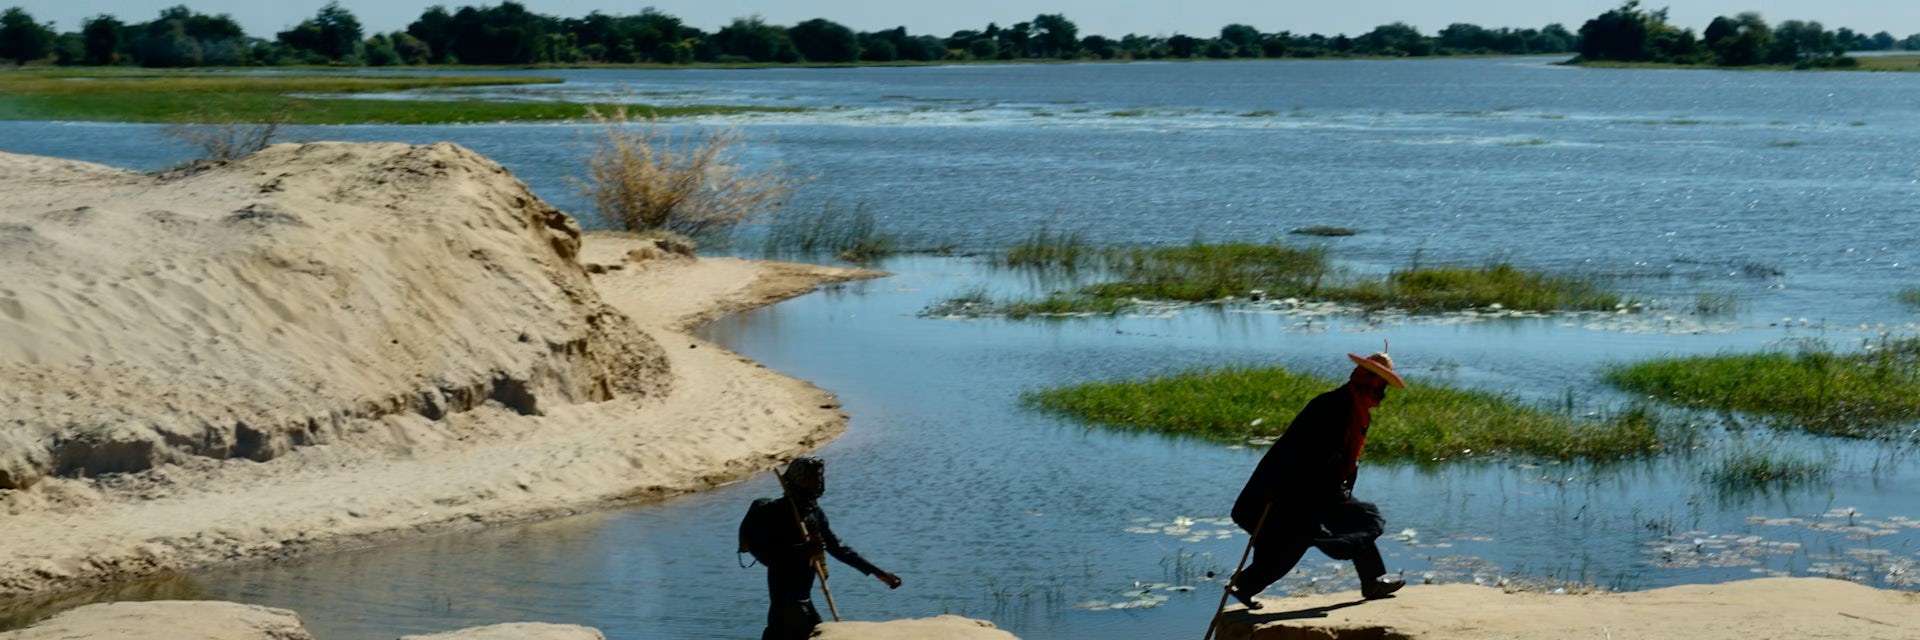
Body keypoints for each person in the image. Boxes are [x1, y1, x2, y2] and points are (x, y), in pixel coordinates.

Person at [1227, 348, 1408, 607]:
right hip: (1288, 490)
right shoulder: (1332, 406)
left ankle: (1372, 580)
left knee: (1320, 533)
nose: (1381, 394)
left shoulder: (1355, 409)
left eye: (1382, 388)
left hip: (1316, 490)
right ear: (1364, 381)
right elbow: (1302, 455)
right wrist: (1321, 496)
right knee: (1348, 524)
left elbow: (1341, 462)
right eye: (1378, 387)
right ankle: (1245, 585)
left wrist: (1339, 491)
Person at [741, 456, 902, 640]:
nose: (818, 481)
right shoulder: (779, 512)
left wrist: (878, 573)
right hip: (786, 601)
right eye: (812, 477)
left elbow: (838, 548)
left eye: (819, 476)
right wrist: (801, 550)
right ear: (799, 479)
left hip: (801, 598)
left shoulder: (813, 513)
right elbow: (770, 554)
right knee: (816, 632)